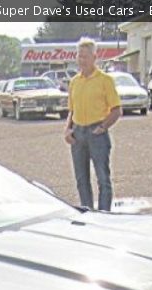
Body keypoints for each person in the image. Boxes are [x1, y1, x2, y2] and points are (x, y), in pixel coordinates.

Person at [64, 37, 121, 211]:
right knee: (81, 179)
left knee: (103, 178)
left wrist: (103, 127)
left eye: (85, 56)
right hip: (78, 133)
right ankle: (87, 211)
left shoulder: (105, 80)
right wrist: (67, 130)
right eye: (79, 56)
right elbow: (71, 111)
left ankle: (103, 214)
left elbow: (116, 109)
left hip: (97, 133)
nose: (82, 60)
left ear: (94, 57)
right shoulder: (74, 82)